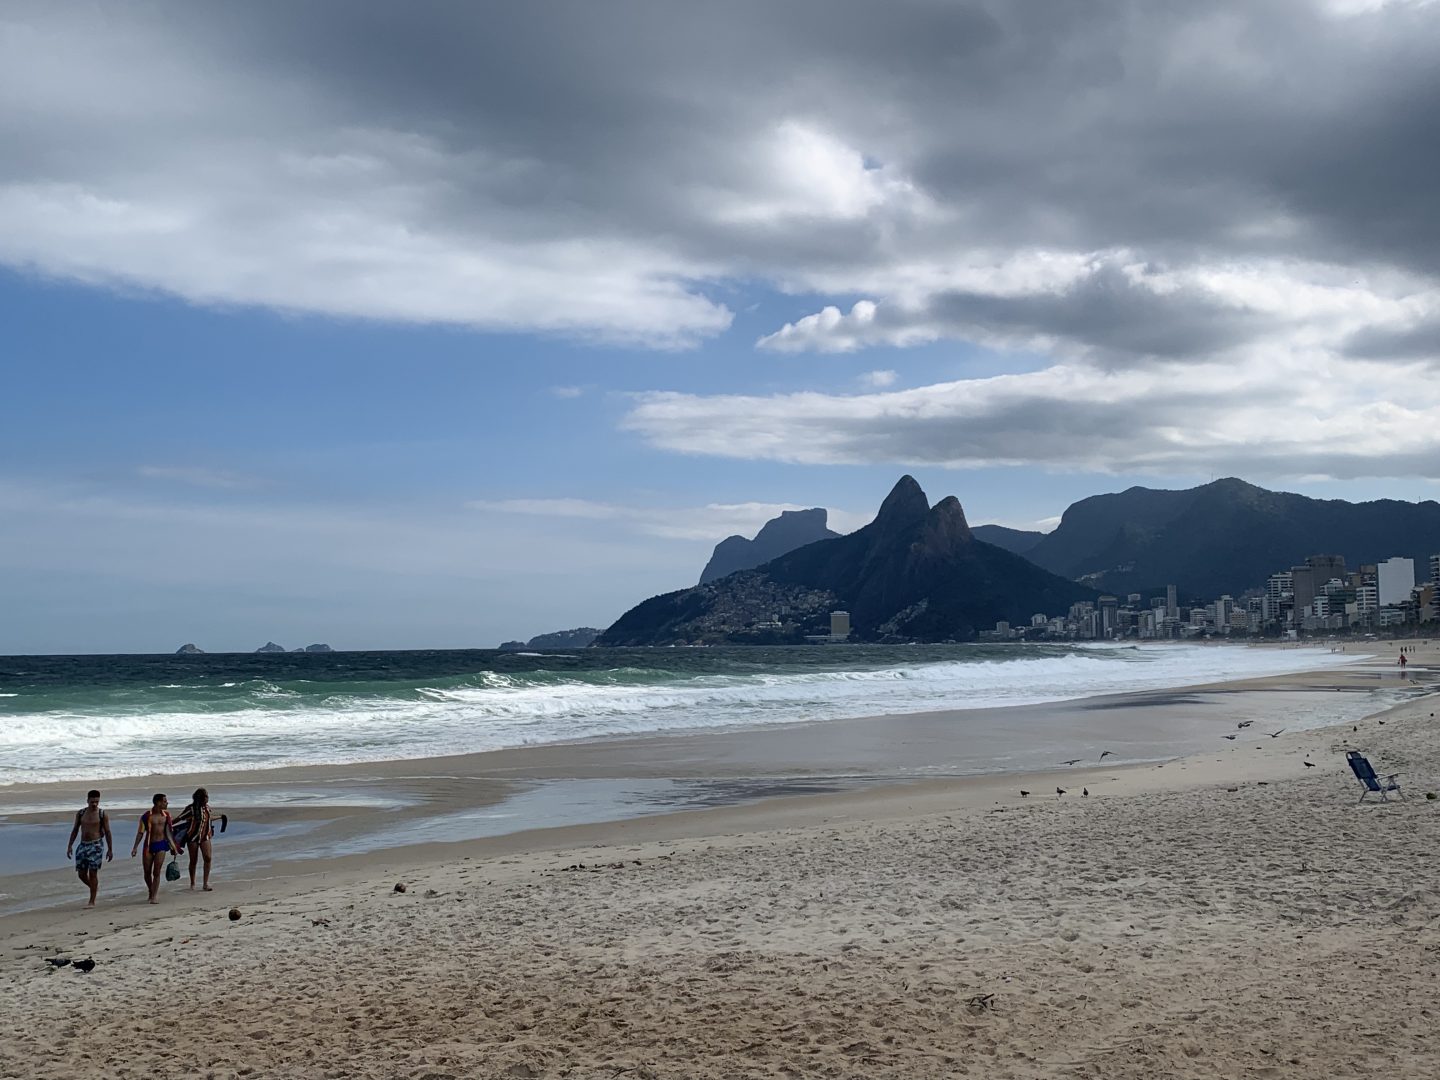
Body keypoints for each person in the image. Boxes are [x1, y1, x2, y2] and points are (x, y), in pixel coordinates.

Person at [65, 789, 113, 908]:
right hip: (83, 845)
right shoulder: (81, 813)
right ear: (87, 800)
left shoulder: (102, 814)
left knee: (93, 873)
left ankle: (92, 901)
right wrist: (70, 845)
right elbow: (75, 829)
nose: (94, 804)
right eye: (92, 802)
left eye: (97, 801)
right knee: (81, 874)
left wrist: (110, 849)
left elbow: (107, 832)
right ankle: (94, 887)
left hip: (96, 845)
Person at [130, 793, 179, 904]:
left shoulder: (167, 815)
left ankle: (154, 896)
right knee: (147, 872)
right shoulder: (147, 816)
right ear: (158, 803)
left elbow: (168, 832)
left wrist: (173, 846)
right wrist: (135, 847)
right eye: (165, 801)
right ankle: (151, 890)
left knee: (156, 872)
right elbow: (140, 832)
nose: (167, 803)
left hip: (161, 845)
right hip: (148, 846)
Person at [172, 787, 219, 891]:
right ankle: (192, 883)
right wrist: (167, 825)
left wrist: (220, 817)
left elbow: (208, 818)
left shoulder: (207, 807)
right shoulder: (191, 809)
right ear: (201, 798)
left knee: (208, 858)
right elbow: (179, 818)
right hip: (192, 837)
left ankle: (205, 883)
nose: (208, 798)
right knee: (193, 860)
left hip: (205, 836)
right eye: (206, 797)